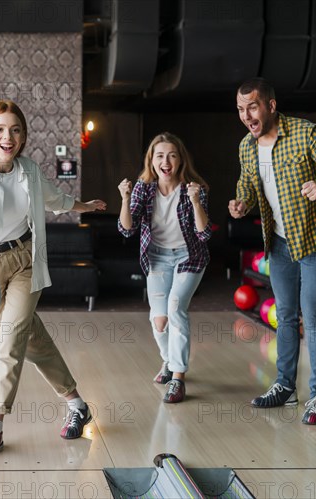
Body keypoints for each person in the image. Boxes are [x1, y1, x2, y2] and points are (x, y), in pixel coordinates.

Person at [0, 99, 107, 459]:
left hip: (26, 261)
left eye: (15, 129)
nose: (7, 137)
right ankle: (76, 404)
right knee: (30, 339)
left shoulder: (30, 170)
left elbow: (55, 199)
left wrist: (83, 206)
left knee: (10, 341)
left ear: (23, 136)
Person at [229, 77, 316, 425]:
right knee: (285, 315)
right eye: (241, 109)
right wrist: (242, 201)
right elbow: (248, 183)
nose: (246, 115)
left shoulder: (306, 134)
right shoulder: (247, 146)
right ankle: (285, 387)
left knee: (312, 315)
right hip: (280, 242)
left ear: (270, 106)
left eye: (252, 107)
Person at [118, 132, 212, 404]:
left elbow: (204, 234)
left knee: (175, 307)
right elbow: (127, 229)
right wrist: (124, 199)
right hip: (157, 258)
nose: (166, 160)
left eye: (172, 155)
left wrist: (195, 202)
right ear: (152, 160)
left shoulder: (194, 189)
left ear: (180, 159)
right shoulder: (143, 189)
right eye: (160, 155)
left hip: (189, 258)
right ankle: (168, 361)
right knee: (159, 321)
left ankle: (178, 378)